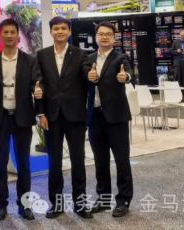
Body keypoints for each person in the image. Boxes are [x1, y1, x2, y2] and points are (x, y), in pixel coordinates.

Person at [36, 17, 93, 219]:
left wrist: (91, 75)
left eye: (63, 28)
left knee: (78, 161)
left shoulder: (80, 54)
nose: (59, 31)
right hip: (51, 117)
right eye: (56, 28)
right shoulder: (42, 55)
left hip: (75, 115)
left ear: (69, 32)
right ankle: (56, 204)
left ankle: (80, 204)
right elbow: (39, 85)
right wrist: (40, 113)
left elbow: (86, 75)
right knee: (54, 162)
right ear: (51, 31)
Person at [0, 19, 42, 221]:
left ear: (17, 35)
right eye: (6, 32)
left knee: (24, 164)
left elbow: (37, 84)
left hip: (22, 118)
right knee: (0, 165)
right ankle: (1, 205)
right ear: (0, 34)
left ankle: (24, 205)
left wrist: (38, 92)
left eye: (12, 32)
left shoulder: (29, 60)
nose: (9, 35)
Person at [87, 21, 133, 218]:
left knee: (121, 161)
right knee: (100, 160)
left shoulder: (120, 58)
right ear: (96, 37)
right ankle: (103, 199)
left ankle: (123, 201)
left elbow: (129, 73)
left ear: (114, 38)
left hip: (116, 117)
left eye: (108, 34)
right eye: (101, 34)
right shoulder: (88, 59)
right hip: (95, 116)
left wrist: (126, 77)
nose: (104, 37)